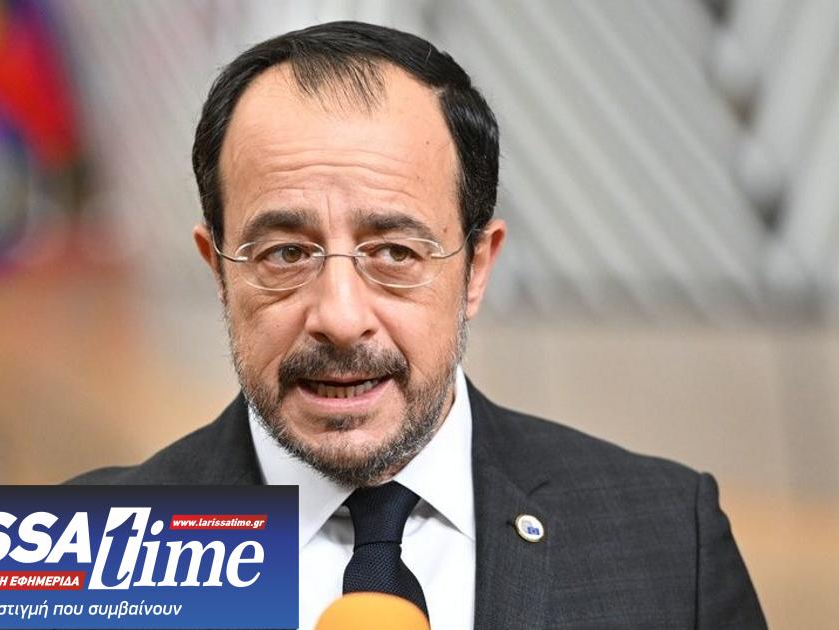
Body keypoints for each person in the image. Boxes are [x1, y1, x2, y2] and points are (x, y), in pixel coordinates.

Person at [72, 20, 765, 629]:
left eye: (394, 253)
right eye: (285, 254)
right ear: (219, 272)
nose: (341, 318)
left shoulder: (669, 540)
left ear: (477, 268)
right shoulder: (80, 558)